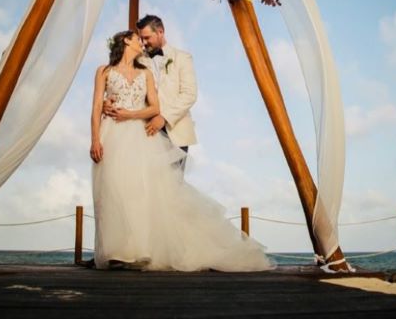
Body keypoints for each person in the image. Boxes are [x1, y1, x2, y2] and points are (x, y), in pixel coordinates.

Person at [90, 29, 272, 272]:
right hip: (111, 134)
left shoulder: (152, 70)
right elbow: (95, 107)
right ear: (126, 40)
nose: (142, 43)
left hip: (144, 133)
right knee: (113, 189)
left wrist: (130, 114)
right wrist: (95, 138)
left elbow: (159, 105)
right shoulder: (105, 70)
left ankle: (141, 249)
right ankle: (116, 250)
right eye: (137, 39)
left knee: (142, 191)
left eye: (145, 38)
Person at [105, 14, 196, 173]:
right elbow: (121, 80)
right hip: (144, 131)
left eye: (147, 37)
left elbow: (189, 94)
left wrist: (164, 117)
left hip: (176, 131)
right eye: (141, 38)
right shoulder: (138, 60)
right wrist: (109, 101)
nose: (144, 42)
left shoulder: (182, 58)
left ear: (160, 32)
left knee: (173, 187)